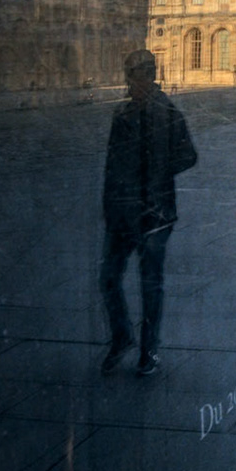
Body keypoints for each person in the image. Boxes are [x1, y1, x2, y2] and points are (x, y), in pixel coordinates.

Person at [99, 49, 198, 376]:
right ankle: (123, 335)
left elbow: (188, 155)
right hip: (124, 211)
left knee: (150, 284)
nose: (130, 83)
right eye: (129, 75)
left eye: (135, 75)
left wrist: (156, 173)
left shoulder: (168, 113)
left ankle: (148, 349)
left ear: (149, 76)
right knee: (109, 278)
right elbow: (111, 166)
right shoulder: (122, 114)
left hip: (153, 212)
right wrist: (109, 205)